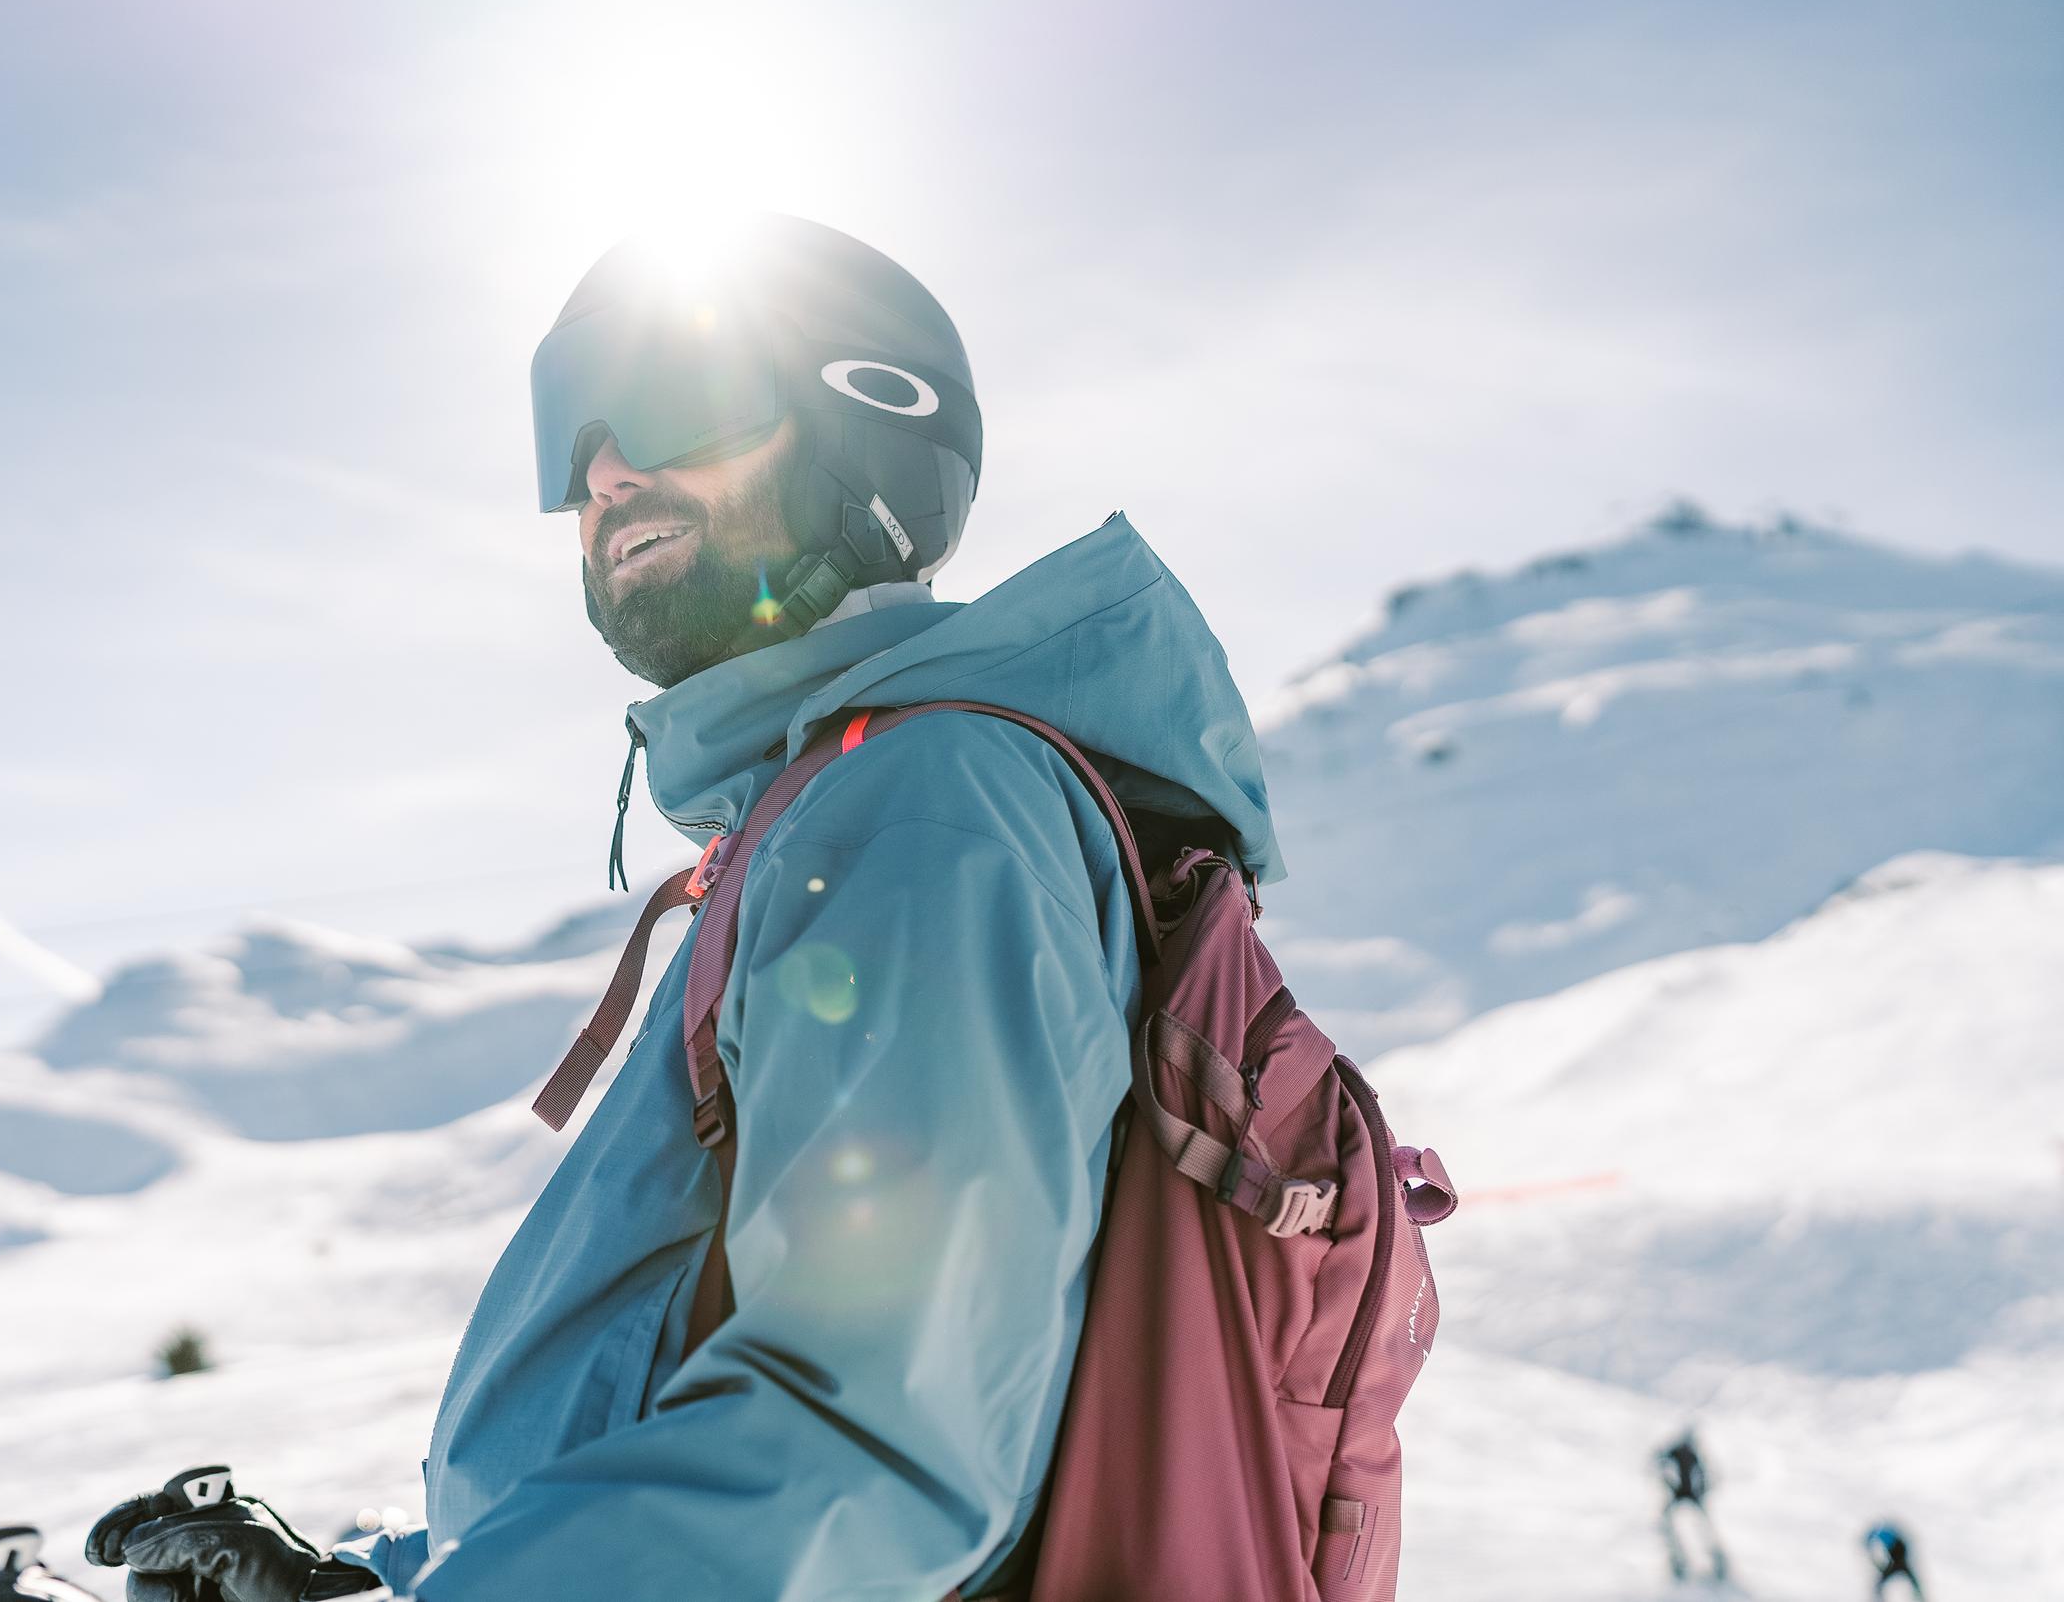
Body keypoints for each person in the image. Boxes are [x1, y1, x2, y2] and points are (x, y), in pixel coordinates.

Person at [89, 214, 1282, 1599]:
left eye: (673, 398)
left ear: (868, 429)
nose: (605, 468)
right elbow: (676, 1383)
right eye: (573, 431)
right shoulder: (831, 806)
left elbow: (869, 1442)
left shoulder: (925, 803)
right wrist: (383, 1579)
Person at [1656, 1428, 1731, 1585]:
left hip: (1691, 1495)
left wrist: (1702, 1490)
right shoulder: (1676, 1452)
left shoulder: (1692, 1455)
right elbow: (1660, 1462)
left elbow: (1703, 1473)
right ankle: (1678, 1560)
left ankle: (1714, 1559)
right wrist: (1670, 1483)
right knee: (1671, 1527)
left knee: (1703, 1528)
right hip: (1679, 1494)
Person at [1865, 1521, 1924, 1599]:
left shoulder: (1882, 1534)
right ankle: (1919, 1595)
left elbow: (1871, 1539)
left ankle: (1918, 1595)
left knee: (1906, 1575)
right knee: (1909, 1576)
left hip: (1897, 1557)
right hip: (1897, 1557)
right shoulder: (1887, 1534)